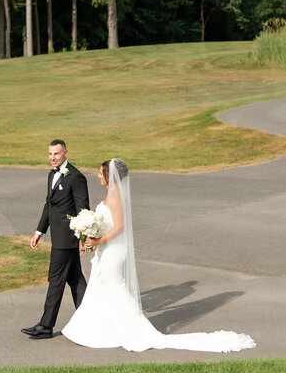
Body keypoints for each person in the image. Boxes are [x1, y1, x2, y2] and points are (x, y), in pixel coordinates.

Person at [62, 158, 256, 353]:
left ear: (109, 176)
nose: (97, 176)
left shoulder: (116, 198)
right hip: (105, 249)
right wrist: (92, 238)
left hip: (112, 251)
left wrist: (99, 241)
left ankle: (135, 330)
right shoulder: (110, 195)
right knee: (100, 285)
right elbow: (108, 224)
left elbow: (120, 227)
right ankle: (97, 329)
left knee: (114, 288)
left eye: (100, 173)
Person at [21, 139, 90, 339]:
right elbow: (49, 206)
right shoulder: (51, 175)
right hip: (57, 236)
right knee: (75, 279)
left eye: (56, 154)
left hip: (67, 239)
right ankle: (91, 317)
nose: (53, 158)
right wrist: (39, 232)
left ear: (65, 153)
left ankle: (46, 325)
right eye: (50, 154)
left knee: (55, 279)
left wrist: (82, 237)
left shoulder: (76, 177)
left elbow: (83, 209)